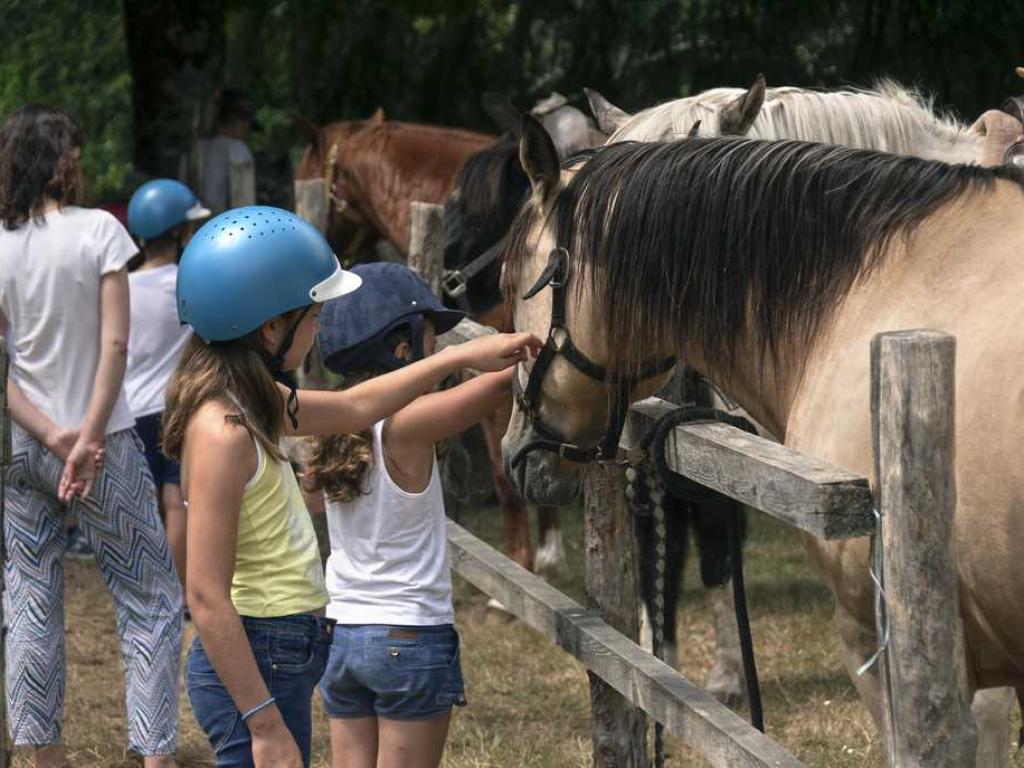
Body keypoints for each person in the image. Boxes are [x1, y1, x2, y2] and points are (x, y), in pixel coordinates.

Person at [167, 206, 538, 767]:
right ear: (271, 327)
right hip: (260, 653)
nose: (318, 331)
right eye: (311, 316)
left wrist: (462, 354)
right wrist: (264, 725)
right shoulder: (224, 432)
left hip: (285, 649)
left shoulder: (253, 402)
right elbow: (205, 595)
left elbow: (354, 405)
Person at [0, 104, 183, 768]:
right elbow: (115, 344)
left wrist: (51, 435)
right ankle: (155, 754)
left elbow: (1, 373)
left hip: (23, 449)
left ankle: (40, 759)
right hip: (103, 445)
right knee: (151, 595)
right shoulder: (101, 231)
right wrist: (86, 439)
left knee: (27, 596)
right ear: (62, 162)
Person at [303, 262, 518, 768]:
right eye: (429, 338)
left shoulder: (334, 426)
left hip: (346, 635)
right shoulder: (407, 424)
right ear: (402, 348)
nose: (437, 349)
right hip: (408, 637)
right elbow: (503, 383)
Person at [125, 178, 211, 593]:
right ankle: (178, 592)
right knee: (177, 500)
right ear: (179, 231)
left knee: (143, 505)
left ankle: (147, 588)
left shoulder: (119, 287)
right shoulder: (189, 283)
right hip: (180, 405)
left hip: (131, 409)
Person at [182, 88, 257, 215]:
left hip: (197, 225)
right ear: (239, 122)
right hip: (225, 225)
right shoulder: (238, 149)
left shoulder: (197, 148)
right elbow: (245, 201)